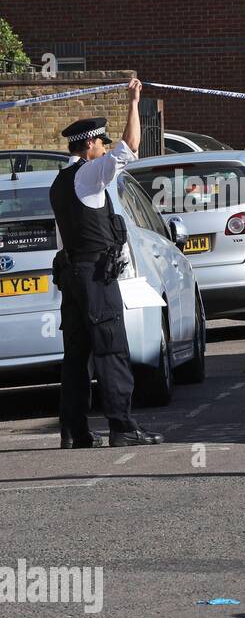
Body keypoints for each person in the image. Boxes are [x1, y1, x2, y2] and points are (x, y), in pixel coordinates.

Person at [50, 78, 163, 449]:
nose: (103, 147)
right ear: (89, 145)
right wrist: (134, 101)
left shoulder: (59, 182)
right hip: (96, 276)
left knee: (76, 356)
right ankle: (123, 427)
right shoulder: (87, 175)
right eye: (100, 142)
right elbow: (129, 148)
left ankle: (74, 431)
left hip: (72, 276)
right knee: (112, 351)